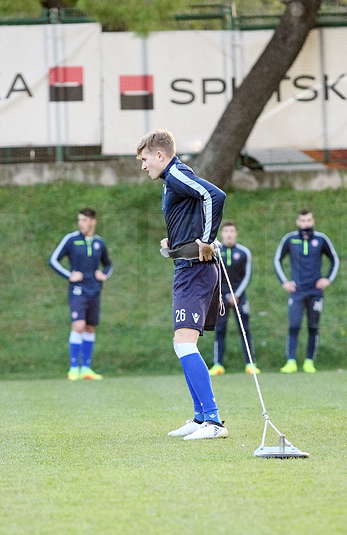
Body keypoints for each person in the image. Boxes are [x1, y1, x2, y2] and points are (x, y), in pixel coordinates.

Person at [137, 129, 229, 441]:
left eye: (145, 159)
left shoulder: (176, 173)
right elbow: (192, 208)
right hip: (185, 266)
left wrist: (207, 239)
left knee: (185, 343)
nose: (143, 165)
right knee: (182, 344)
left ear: (159, 155)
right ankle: (200, 416)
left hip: (196, 270)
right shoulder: (170, 181)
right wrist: (174, 241)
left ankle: (214, 421)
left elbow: (214, 195)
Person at [49, 208, 113, 381]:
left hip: (95, 290)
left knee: (90, 327)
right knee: (78, 325)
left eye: (84, 220)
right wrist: (69, 275)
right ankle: (73, 369)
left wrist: (104, 274)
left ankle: (86, 368)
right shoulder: (71, 240)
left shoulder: (100, 242)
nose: (80, 223)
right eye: (79, 220)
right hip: (77, 290)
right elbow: (53, 260)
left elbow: (108, 264)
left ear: (93, 221)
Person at [273, 209, 339, 374]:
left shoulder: (321, 239)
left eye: (308, 220)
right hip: (297, 291)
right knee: (294, 325)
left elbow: (334, 259)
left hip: (315, 291)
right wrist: (284, 282)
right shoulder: (290, 239)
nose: (306, 224)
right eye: (302, 221)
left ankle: (309, 362)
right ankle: (291, 362)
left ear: (313, 221)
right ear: (297, 222)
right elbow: (277, 260)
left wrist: (328, 279)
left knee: (313, 326)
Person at [211, 220, 259, 375]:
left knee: (245, 330)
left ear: (236, 233)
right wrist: (218, 294)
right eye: (226, 231)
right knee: (220, 330)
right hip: (220, 298)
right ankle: (218, 365)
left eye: (232, 231)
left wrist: (236, 294)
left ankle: (250, 364)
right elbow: (213, 275)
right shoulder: (215, 251)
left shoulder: (244, 252)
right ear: (222, 234)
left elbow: (248, 275)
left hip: (240, 297)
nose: (229, 234)